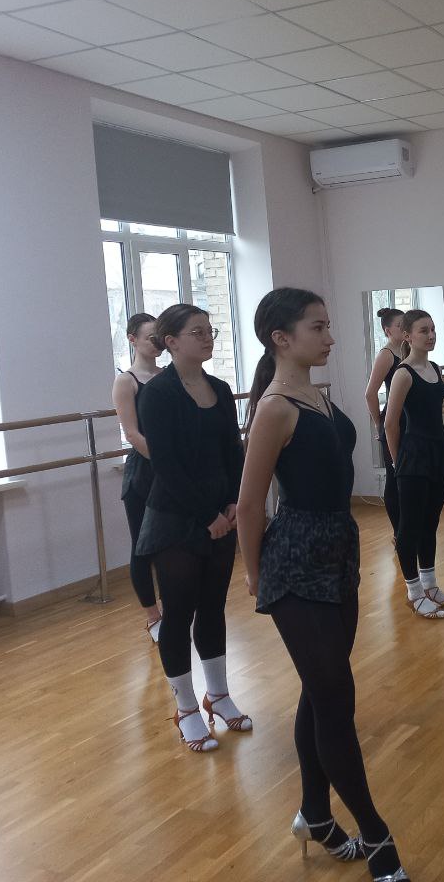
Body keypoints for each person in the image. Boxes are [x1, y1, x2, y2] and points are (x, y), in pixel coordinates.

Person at [237, 288, 410, 882]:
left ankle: (314, 814)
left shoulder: (315, 394)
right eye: (318, 327)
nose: (330, 337)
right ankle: (377, 834)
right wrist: (256, 574)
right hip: (296, 560)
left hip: (337, 553)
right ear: (281, 338)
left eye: (328, 325)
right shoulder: (275, 408)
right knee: (335, 699)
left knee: (320, 691)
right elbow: (250, 503)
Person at [136, 304, 249, 754]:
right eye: (197, 332)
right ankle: (185, 707)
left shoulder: (219, 389)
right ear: (171, 342)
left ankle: (217, 694)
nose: (207, 338)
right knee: (178, 613)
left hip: (221, 513)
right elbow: (166, 464)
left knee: (213, 607)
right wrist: (207, 516)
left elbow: (232, 450)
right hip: (176, 519)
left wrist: (234, 501)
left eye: (209, 331)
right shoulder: (157, 394)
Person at [384, 310, 444, 620]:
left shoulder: (435, 368)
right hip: (414, 456)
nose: (430, 335)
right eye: (423, 330)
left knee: (431, 522)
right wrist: (397, 462)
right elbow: (390, 422)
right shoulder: (403, 373)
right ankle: (414, 592)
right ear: (407, 336)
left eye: (433, 329)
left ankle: (430, 586)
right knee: (410, 527)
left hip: (438, 451)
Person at [111, 312, 163, 642]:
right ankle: (152, 616)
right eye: (149, 337)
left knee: (170, 545)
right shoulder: (126, 381)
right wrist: (165, 463)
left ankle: (172, 608)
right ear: (132, 339)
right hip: (143, 472)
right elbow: (131, 433)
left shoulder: (167, 375)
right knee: (142, 547)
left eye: (159, 337)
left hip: (168, 469)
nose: (156, 343)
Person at [363, 308, 404, 538]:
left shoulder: (407, 350)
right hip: (392, 420)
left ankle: (409, 528)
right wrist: (379, 423)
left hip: (408, 419)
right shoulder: (386, 355)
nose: (404, 328)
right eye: (400, 325)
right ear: (388, 330)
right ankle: (398, 532)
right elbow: (370, 393)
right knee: (394, 474)